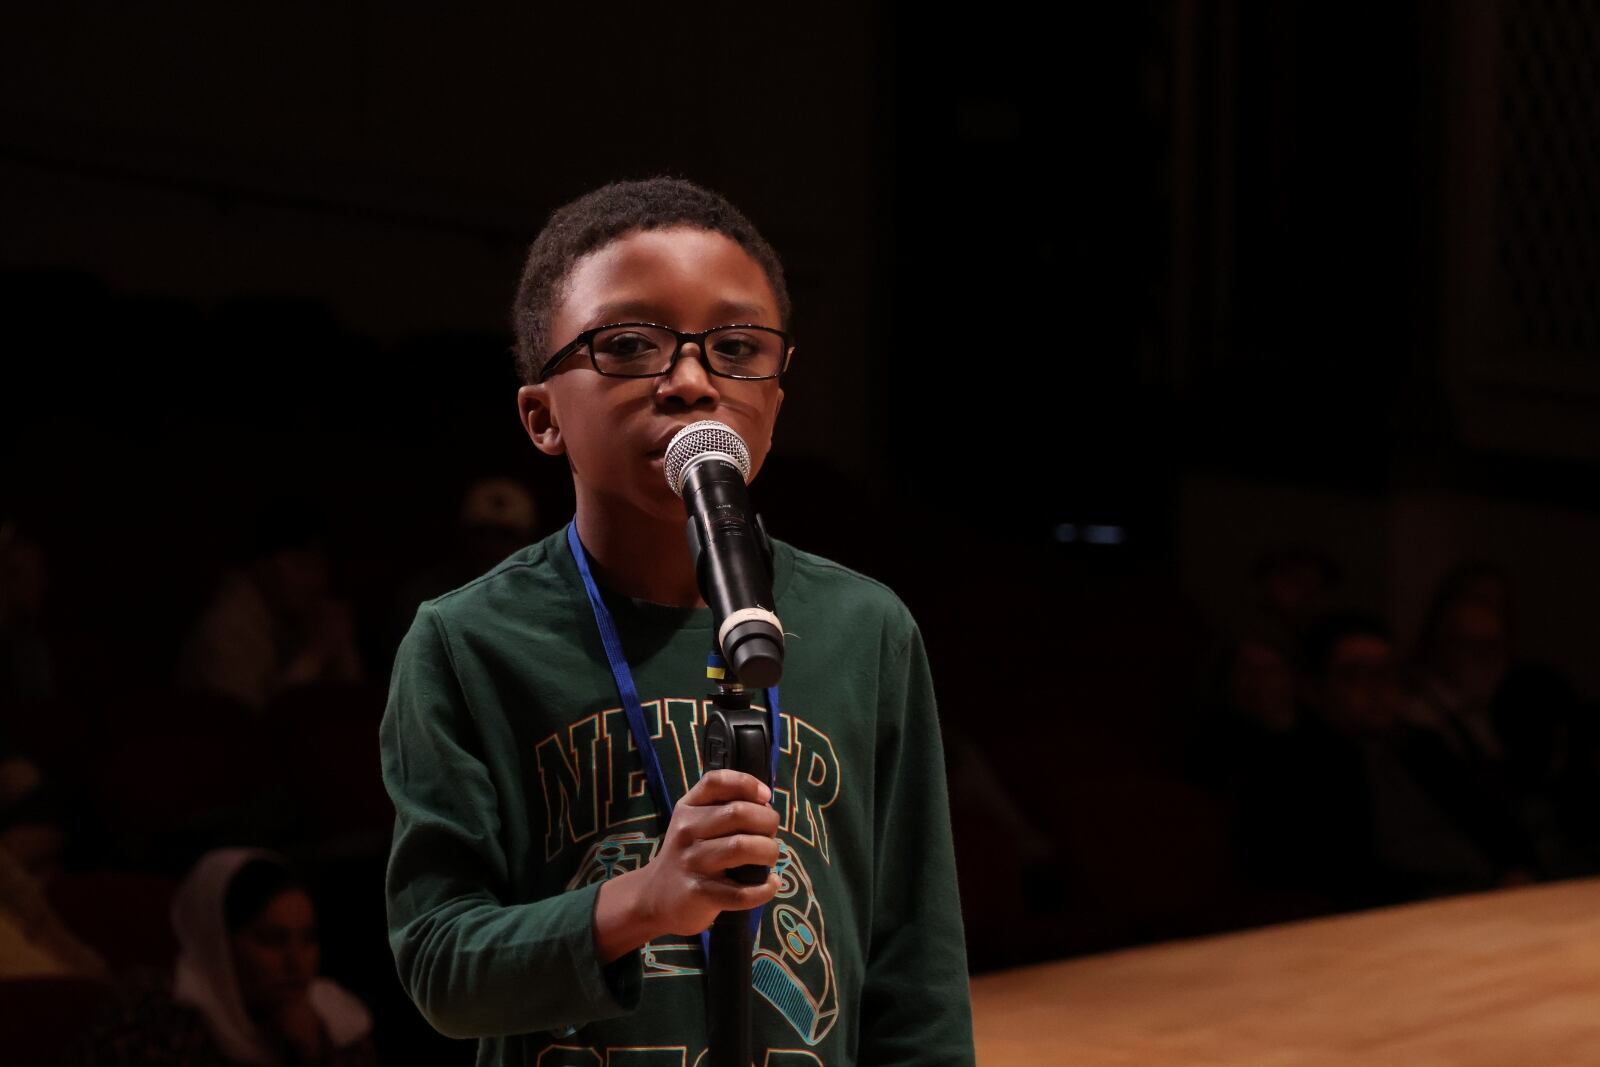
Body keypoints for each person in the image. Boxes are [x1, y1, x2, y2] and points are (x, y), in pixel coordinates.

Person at [381, 178, 975, 1064]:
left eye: (736, 346)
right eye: (629, 344)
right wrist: (647, 899)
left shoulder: (867, 629)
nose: (693, 380)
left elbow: (915, 978)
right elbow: (440, 966)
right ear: (543, 416)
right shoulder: (468, 640)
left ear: (777, 391)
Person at [82, 848, 377, 1066]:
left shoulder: (334, 1021)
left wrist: (311, 1056)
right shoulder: (157, 1017)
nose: (296, 962)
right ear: (220, 944)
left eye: (309, 939)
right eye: (272, 940)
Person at [178, 502, 364, 712]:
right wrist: (315, 654)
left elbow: (350, 706)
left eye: (320, 565)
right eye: (300, 564)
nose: (315, 580)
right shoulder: (225, 626)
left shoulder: (301, 615)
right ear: (263, 563)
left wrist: (341, 648)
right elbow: (252, 726)